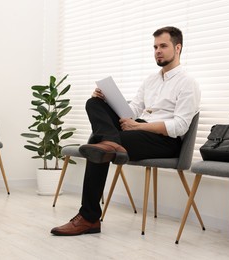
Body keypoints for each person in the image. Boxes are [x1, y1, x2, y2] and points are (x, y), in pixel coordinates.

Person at [51, 26, 201, 236]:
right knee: (94, 103)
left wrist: (139, 126)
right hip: (137, 131)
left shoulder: (188, 83)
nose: (157, 50)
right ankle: (110, 143)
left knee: (98, 143)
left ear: (178, 48)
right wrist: (107, 100)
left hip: (164, 140)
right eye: (155, 47)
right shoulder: (151, 80)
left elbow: (179, 126)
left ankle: (89, 218)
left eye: (163, 46)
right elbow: (132, 111)